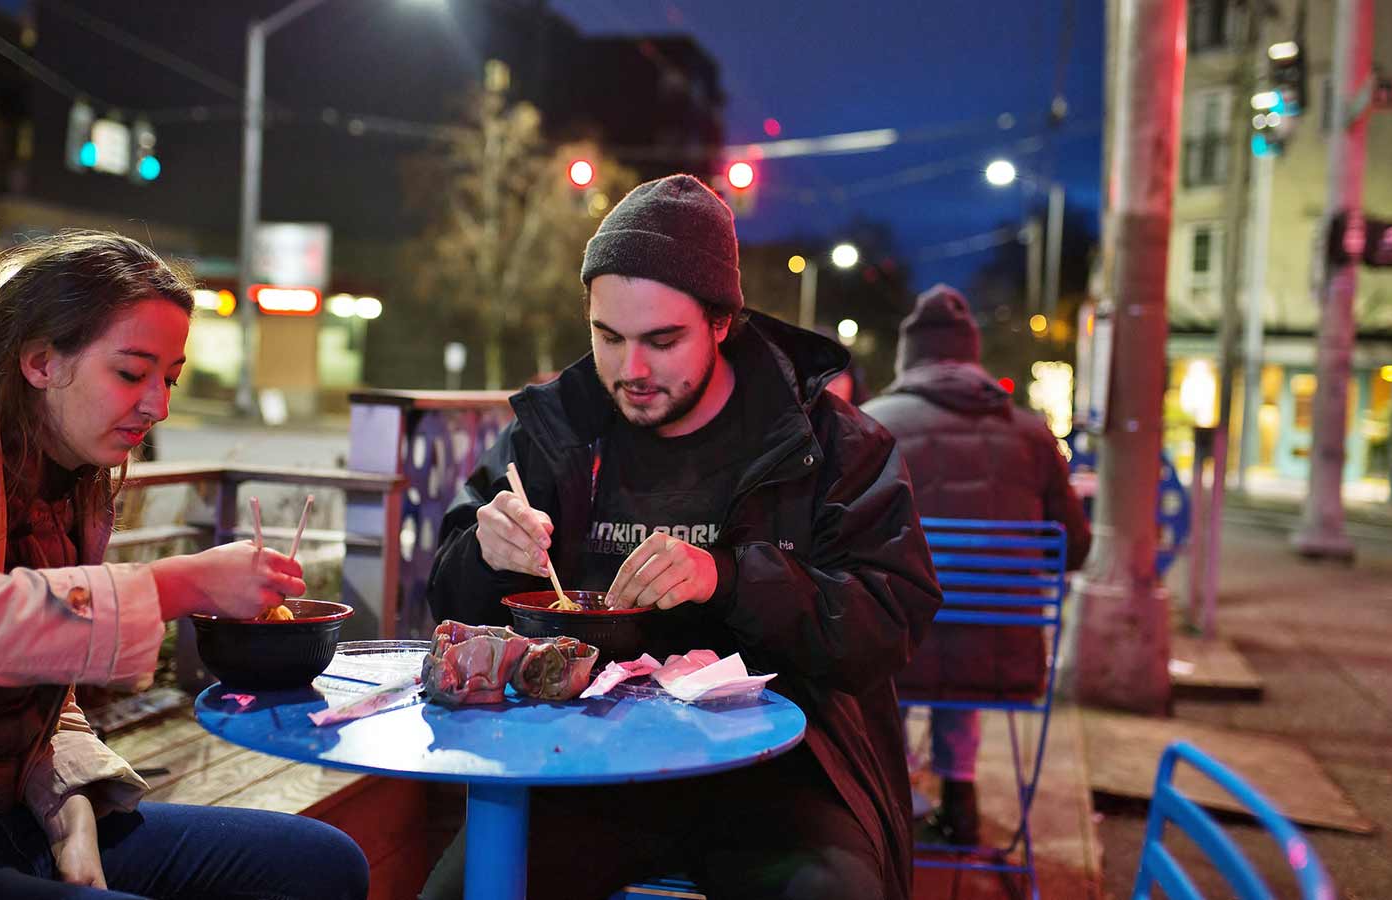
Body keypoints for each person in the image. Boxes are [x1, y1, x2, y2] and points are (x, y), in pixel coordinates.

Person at [0, 232, 368, 899]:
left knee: (323, 865)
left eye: (169, 378)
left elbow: (43, 701)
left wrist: (73, 814)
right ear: (40, 361)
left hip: (9, 819)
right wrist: (178, 583)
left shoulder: (70, 481)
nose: (157, 405)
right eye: (132, 373)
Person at [423, 175, 943, 900]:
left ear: (723, 321)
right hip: (582, 763)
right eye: (608, 337)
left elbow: (889, 624)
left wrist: (729, 578)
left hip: (780, 776)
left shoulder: (830, 444)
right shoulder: (556, 432)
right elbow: (445, 599)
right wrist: (483, 555)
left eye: (662, 341)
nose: (631, 370)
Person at [860, 284, 1091, 846]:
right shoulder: (1034, 435)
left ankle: (894, 792)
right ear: (972, 356)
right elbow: (1077, 549)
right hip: (1004, 658)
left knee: (900, 629)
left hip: (896, 656)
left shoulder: (870, 424)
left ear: (908, 356)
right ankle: (959, 799)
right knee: (964, 632)